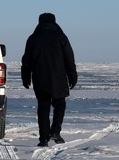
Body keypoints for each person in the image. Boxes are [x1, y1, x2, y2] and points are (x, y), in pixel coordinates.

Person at [21, 13, 78, 147]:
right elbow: (69, 59)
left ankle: (43, 138)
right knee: (60, 105)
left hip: (40, 79)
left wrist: (26, 77)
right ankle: (55, 132)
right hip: (58, 78)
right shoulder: (61, 37)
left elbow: (26, 61)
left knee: (43, 107)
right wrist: (72, 76)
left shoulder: (33, 38)